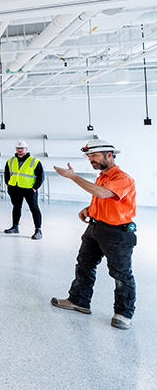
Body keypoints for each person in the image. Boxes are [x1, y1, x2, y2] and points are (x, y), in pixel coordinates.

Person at [52, 140, 137, 330]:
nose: (91, 160)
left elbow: (103, 193)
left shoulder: (123, 178)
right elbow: (104, 200)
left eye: (94, 156)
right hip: (95, 227)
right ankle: (79, 300)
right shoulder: (102, 176)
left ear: (109, 155)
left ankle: (124, 313)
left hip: (117, 233)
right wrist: (89, 209)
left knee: (121, 274)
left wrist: (73, 177)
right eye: (89, 157)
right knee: (84, 264)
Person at [4, 140, 44, 240]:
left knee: (34, 209)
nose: (20, 150)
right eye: (18, 148)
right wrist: (8, 184)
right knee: (16, 207)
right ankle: (15, 226)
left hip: (29, 189)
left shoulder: (34, 161)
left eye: (22, 148)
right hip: (15, 188)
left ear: (26, 149)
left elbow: (41, 176)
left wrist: (35, 187)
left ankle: (38, 230)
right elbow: (7, 174)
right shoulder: (11, 160)